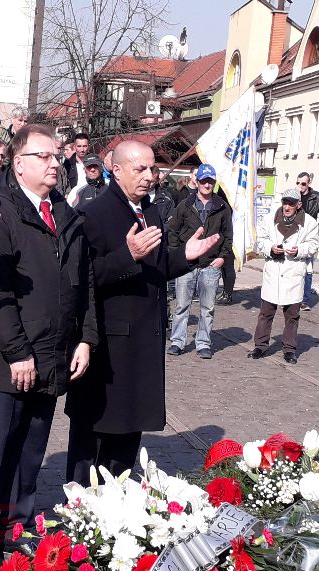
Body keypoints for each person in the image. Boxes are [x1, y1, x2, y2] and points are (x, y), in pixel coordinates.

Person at [0, 123, 96, 571]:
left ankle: (14, 527)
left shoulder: (65, 213)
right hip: (8, 359)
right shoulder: (0, 209)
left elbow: (83, 284)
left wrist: (85, 338)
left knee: (31, 449)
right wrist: (18, 352)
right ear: (19, 163)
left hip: (54, 353)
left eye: (57, 155)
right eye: (44, 156)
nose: (55, 163)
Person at [64, 141, 218, 484]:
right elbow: (83, 279)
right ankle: (81, 508)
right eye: (140, 169)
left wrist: (185, 257)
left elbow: (155, 268)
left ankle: (119, 504)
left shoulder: (150, 211)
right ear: (116, 170)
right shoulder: (94, 213)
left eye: (152, 169)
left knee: (128, 438)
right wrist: (127, 255)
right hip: (108, 348)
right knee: (94, 442)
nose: (149, 176)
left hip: (143, 345)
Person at [248, 188, 319, 364]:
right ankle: (260, 345)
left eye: (291, 204)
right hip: (274, 270)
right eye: (285, 203)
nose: (287, 207)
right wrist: (270, 248)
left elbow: (313, 245)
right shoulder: (269, 219)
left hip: (293, 272)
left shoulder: (309, 223)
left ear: (299, 205)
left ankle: (289, 349)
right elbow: (261, 240)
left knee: (292, 315)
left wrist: (300, 250)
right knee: (266, 313)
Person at [167, 163, 230, 359]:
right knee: (181, 305)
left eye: (210, 181)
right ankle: (177, 341)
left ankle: (203, 343)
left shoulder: (222, 207)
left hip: (210, 265)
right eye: (204, 181)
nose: (207, 185)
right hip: (187, 265)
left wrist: (222, 257)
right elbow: (173, 231)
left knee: (207, 308)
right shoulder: (185, 205)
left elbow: (228, 235)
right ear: (197, 182)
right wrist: (178, 255)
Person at [296, 172, 319, 310]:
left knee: (307, 269)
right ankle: (291, 298)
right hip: (294, 235)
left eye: (303, 183)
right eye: (298, 183)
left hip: (308, 237)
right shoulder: (293, 195)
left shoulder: (316, 197)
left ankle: (304, 300)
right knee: (292, 267)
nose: (300, 186)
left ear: (309, 183)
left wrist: (315, 232)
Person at [62, 132, 90, 198]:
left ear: (89, 146)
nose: (82, 150)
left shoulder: (95, 161)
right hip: (74, 199)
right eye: (79, 146)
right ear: (74, 147)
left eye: (84, 146)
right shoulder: (68, 164)